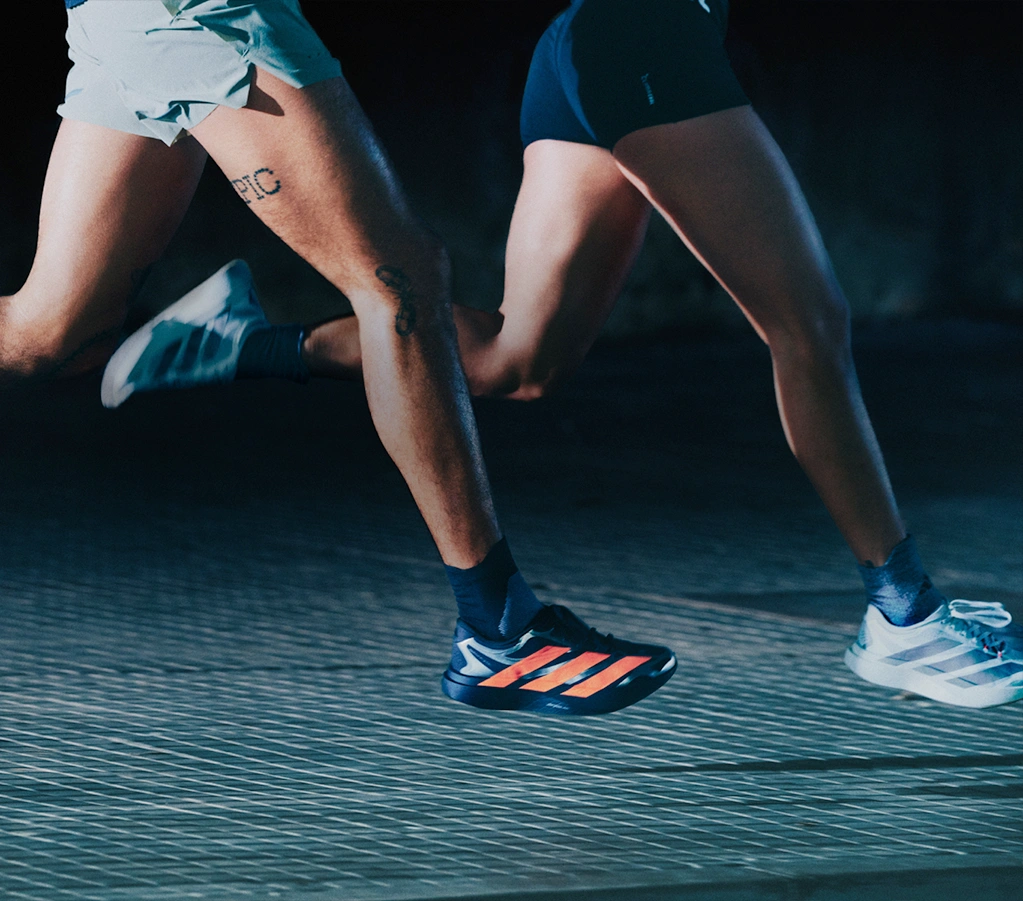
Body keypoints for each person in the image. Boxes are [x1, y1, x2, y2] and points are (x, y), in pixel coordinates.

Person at [101, 0, 1022, 708]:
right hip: (642, 42)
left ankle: (235, 344)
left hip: (598, 48)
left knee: (518, 359)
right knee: (806, 324)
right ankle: (903, 616)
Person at [0, 0, 679, 717]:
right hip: (199, 13)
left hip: (129, 18)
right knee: (397, 277)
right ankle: (497, 628)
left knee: (50, 333)